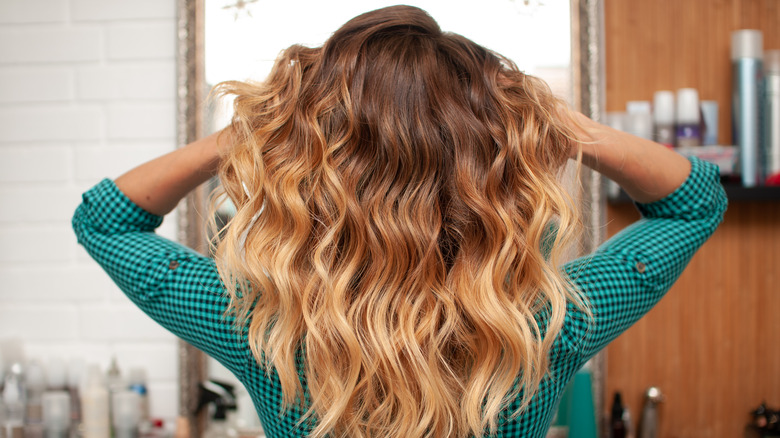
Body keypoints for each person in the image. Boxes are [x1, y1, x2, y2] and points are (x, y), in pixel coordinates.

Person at [72, 5, 726, 438]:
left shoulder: (261, 328)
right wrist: (549, 124)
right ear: (486, 175)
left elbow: (105, 221)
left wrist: (252, 132)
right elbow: (694, 201)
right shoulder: (548, 325)